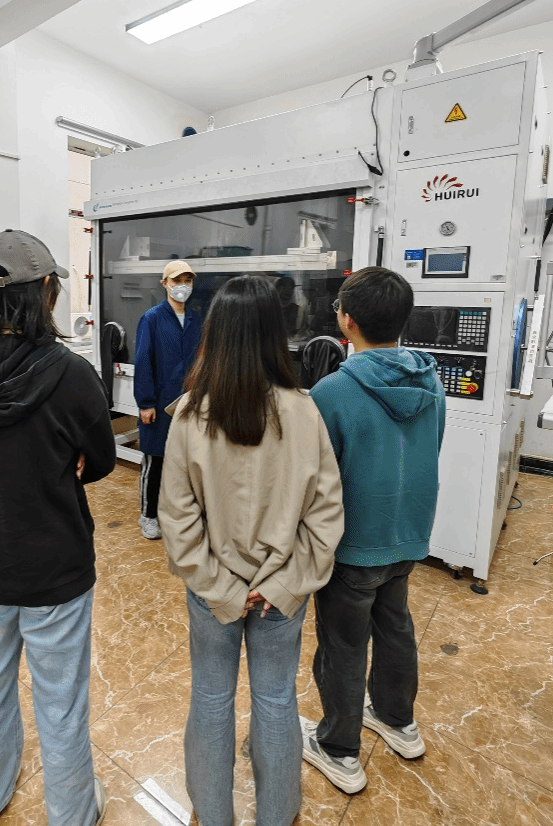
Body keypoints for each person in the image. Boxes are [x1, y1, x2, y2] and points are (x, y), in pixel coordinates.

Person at [159, 274, 344, 826]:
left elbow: (177, 518)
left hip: (211, 590)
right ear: (274, 333)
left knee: (210, 700)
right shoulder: (304, 412)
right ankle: (277, 814)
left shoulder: (189, 415)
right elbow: (326, 516)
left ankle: (214, 815)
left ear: (214, 334)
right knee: (276, 700)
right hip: (281, 593)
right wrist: (280, 583)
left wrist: (222, 587)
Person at [0, 229, 115, 826]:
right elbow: (100, 458)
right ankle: (73, 813)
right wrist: (69, 454)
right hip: (53, 559)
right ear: (45, 289)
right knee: (61, 702)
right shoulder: (69, 372)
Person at [302, 267, 446, 795]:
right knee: (395, 625)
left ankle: (339, 749)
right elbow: (432, 447)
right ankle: (396, 720)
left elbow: (317, 478)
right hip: (408, 532)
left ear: (346, 320)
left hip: (353, 541)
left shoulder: (332, 391)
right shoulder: (432, 382)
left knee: (343, 643)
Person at [134, 259, 201, 540]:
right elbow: (143, 361)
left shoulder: (196, 320)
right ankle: (148, 515)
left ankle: (178, 512)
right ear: (165, 284)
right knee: (156, 460)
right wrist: (146, 403)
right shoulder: (152, 318)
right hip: (160, 403)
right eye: (177, 281)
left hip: (190, 403)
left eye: (187, 280)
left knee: (186, 461)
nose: (182, 286)